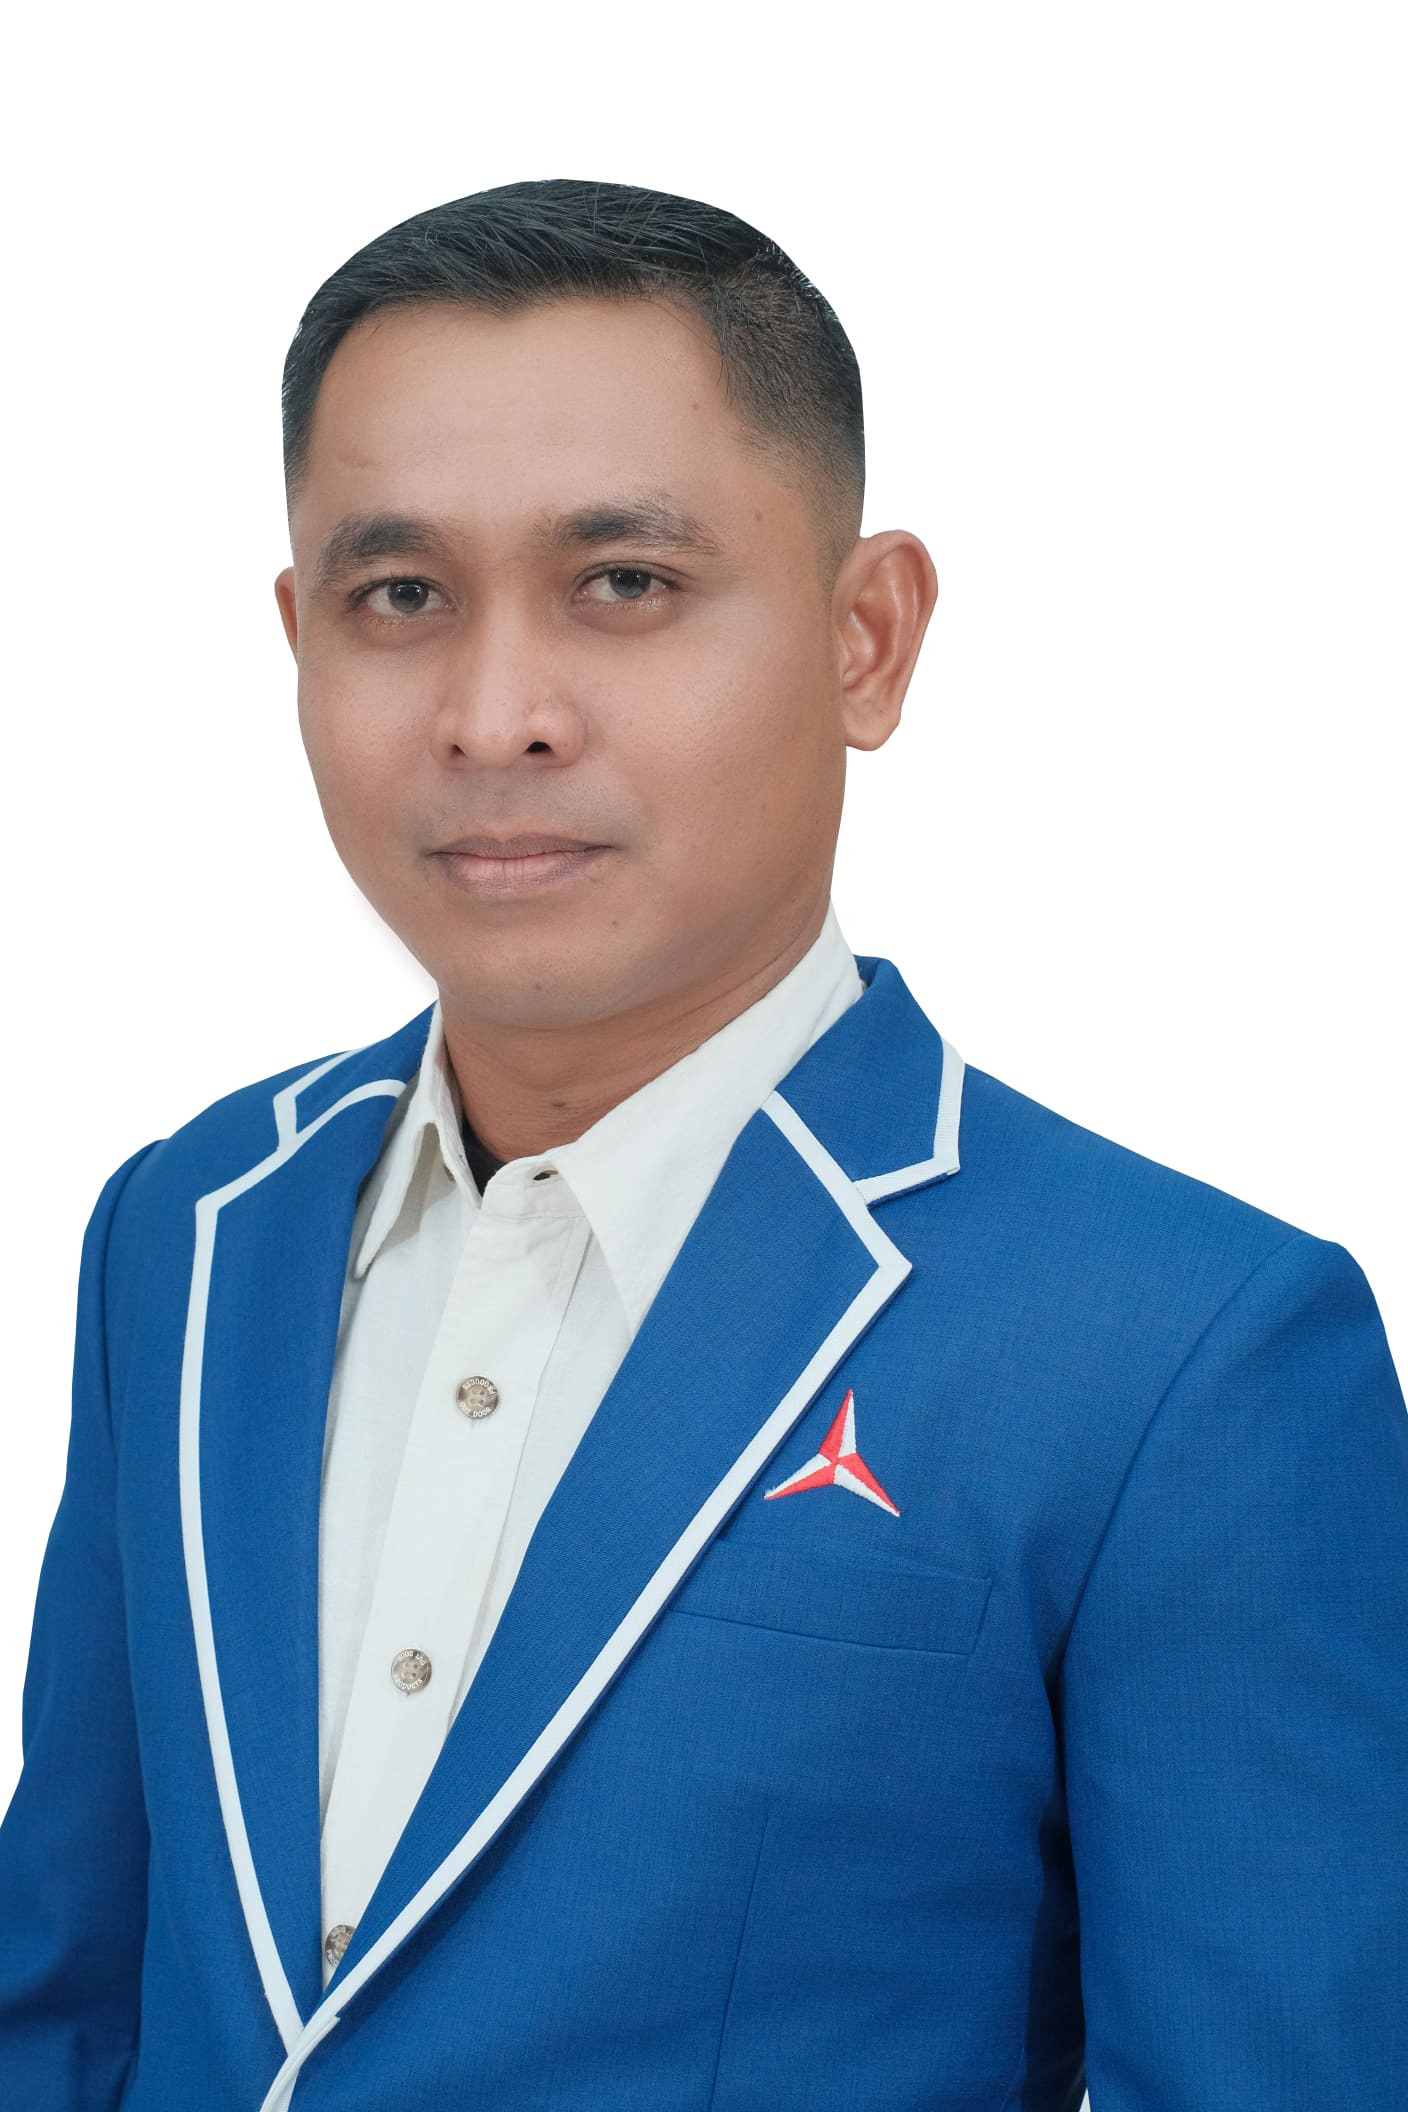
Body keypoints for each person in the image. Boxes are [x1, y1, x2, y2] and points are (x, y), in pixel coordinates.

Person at [1, 176, 1404, 2112]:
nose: (494, 716)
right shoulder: (186, 1228)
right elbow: (67, 2009)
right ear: (297, 633)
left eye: (623, 584)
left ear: (865, 638)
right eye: (399, 598)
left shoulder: (1182, 1354)